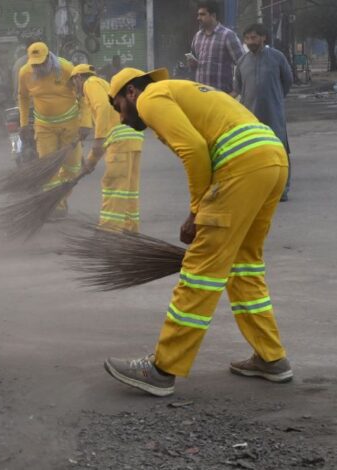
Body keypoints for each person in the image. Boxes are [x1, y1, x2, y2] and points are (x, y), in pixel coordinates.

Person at [103, 67, 291, 397]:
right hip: (271, 158)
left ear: (131, 92)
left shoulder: (150, 97)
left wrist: (196, 210)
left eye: (117, 106)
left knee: (200, 270)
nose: (120, 118)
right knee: (244, 265)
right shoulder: (180, 89)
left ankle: (162, 369)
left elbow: (193, 149)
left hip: (242, 165)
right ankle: (270, 357)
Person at [71, 64, 144, 232]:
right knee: (129, 188)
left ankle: (109, 231)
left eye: (73, 82)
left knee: (114, 186)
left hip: (120, 141)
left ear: (78, 77)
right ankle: (130, 227)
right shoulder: (104, 85)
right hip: (133, 138)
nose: (74, 87)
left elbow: (103, 107)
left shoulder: (90, 83)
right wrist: (91, 161)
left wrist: (98, 139)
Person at [18, 42, 83, 217]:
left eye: (41, 63)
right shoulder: (25, 72)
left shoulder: (66, 68)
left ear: (49, 57)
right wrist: (23, 124)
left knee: (73, 167)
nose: (38, 67)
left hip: (70, 125)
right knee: (48, 169)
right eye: (34, 64)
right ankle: (56, 205)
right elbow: (23, 97)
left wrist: (86, 123)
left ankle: (61, 196)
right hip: (44, 127)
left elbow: (83, 94)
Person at [234, 24, 294, 201]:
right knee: (252, 152)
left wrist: (275, 98)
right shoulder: (242, 62)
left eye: (254, 37)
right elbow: (238, 87)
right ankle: (256, 188)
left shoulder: (277, 57)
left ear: (263, 38)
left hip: (273, 112)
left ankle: (282, 190)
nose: (251, 41)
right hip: (250, 116)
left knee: (280, 150)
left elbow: (287, 81)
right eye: (247, 38)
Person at [188, 1, 245, 93]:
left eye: (202, 14)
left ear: (213, 15)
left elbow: (243, 64)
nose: (198, 18)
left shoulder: (228, 35)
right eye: (198, 15)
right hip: (200, 94)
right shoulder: (198, 36)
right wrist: (192, 64)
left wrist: (236, 90)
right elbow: (194, 62)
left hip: (221, 95)